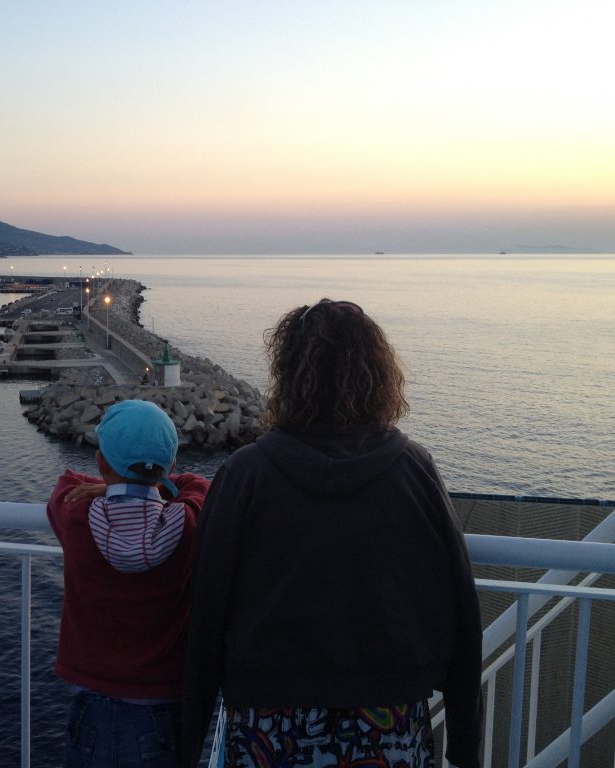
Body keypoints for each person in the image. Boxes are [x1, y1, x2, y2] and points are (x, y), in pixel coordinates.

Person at [181, 299, 483, 768]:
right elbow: (461, 607)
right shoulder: (413, 470)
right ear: (378, 373)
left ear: (287, 372)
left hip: (271, 724)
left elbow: (205, 612)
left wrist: (186, 745)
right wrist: (465, 746)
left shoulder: (247, 474)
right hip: (389, 722)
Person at [47, 399, 211, 768]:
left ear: (102, 463)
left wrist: (108, 489)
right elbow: (197, 486)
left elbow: (65, 485)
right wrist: (147, 485)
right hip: (161, 711)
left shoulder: (78, 520)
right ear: (170, 466)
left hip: (91, 709)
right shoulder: (186, 527)